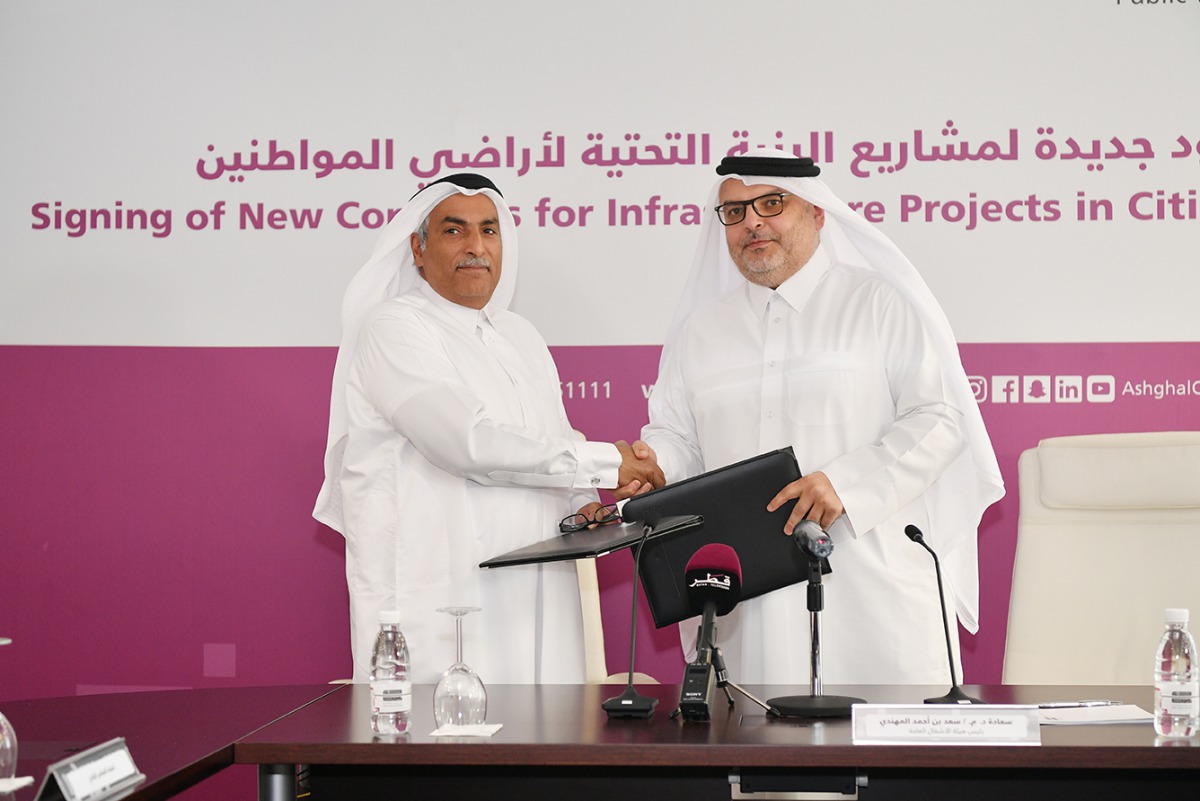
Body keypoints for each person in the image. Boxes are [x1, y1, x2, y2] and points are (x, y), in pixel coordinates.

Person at [640, 152, 1004, 685]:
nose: (752, 223)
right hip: (751, 604)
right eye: (735, 212)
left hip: (870, 588)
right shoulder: (701, 332)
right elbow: (678, 441)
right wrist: (654, 464)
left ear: (817, 214)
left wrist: (845, 485)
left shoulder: (877, 303)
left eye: (771, 204)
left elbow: (941, 418)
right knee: (757, 756)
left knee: (885, 762)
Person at [314, 173, 663, 684]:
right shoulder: (393, 327)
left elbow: (555, 441)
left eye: (489, 231)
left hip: (537, 599)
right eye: (455, 231)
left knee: (547, 745)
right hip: (441, 601)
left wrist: (582, 504)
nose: (476, 247)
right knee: (448, 754)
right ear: (418, 247)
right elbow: (466, 442)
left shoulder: (520, 336)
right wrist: (609, 462)